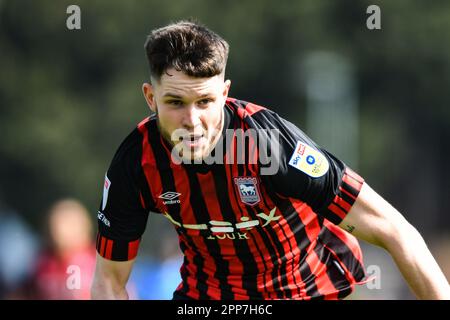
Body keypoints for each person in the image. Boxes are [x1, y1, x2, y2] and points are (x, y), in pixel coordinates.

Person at [91, 20, 450, 300]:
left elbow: (395, 230)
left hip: (308, 289)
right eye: (175, 103)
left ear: (224, 93)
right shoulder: (135, 164)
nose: (193, 120)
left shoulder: (271, 145)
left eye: (204, 101)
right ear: (150, 97)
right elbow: (108, 280)